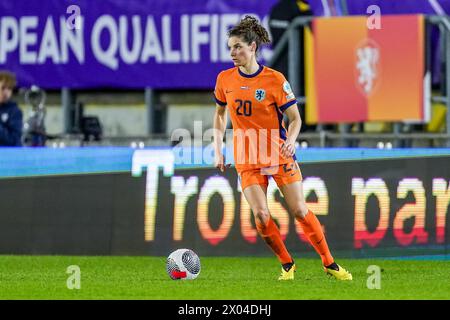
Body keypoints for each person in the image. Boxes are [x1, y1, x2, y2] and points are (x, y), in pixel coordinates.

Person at [213, 16, 351, 280]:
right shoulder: (224, 79)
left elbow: (296, 119)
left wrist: (291, 141)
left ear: (253, 47)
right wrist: (218, 148)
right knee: (261, 214)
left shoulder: (274, 80)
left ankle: (329, 263)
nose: (233, 53)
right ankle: (288, 265)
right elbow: (219, 114)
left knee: (299, 209)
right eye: (230, 47)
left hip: (278, 152)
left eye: (238, 47)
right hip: (246, 156)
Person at [0, 71, 23, 146]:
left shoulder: (15, 111)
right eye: (3, 88)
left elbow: (14, 140)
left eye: (9, 89)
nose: (6, 92)